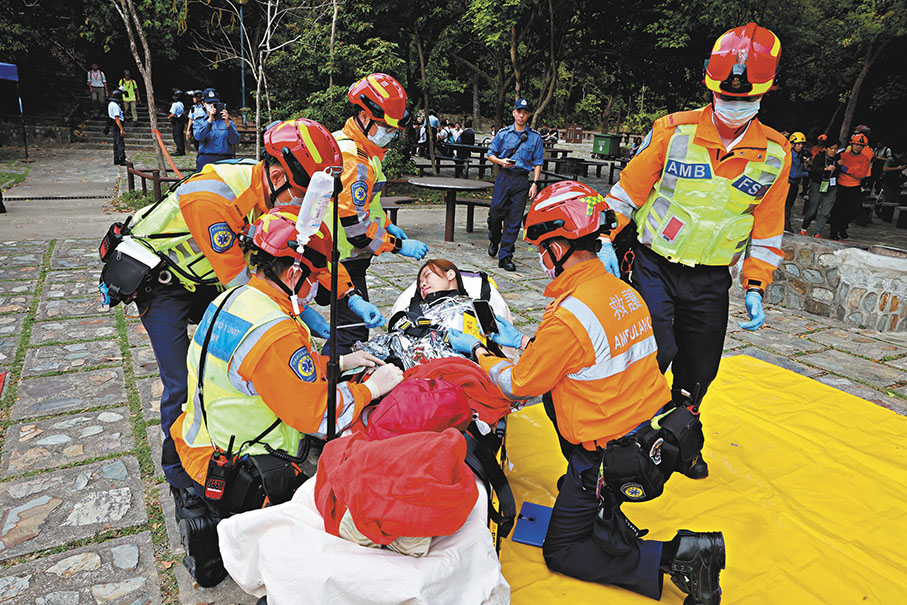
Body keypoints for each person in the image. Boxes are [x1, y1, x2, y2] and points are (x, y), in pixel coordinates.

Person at [102, 119, 384, 541]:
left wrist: (347, 294)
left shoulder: (276, 193)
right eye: (300, 195)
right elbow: (246, 287)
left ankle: (248, 418)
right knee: (181, 382)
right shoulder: (212, 197)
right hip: (163, 284)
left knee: (241, 360)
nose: (301, 204)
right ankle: (184, 479)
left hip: (204, 280)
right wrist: (298, 318)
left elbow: (300, 250)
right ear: (276, 176)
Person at [446, 181, 725, 604]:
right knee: (569, 462)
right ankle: (600, 507)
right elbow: (583, 354)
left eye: (542, 247)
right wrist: (525, 341)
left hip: (608, 456)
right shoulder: (622, 292)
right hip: (652, 435)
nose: (540, 257)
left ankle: (683, 557)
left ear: (559, 247)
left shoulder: (570, 314)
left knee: (563, 551)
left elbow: (521, 383)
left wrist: (480, 351)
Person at [170, 206, 404, 586]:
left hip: (197, 438)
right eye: (314, 278)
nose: (316, 288)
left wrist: (341, 361)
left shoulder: (232, 300)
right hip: (240, 464)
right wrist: (372, 387)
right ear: (294, 273)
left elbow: (274, 366)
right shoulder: (274, 331)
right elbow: (319, 416)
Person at [602, 23, 790, 479]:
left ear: (766, 92)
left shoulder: (776, 154)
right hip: (653, 264)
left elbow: (767, 229)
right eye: (726, 96)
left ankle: (681, 439)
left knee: (700, 366)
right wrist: (603, 241)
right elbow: (624, 195)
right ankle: (627, 435)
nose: (733, 105)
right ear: (710, 84)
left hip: (710, 278)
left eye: (746, 100)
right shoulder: (671, 132)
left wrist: (756, 283)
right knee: (655, 349)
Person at [325, 72, 430, 355]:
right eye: (385, 126)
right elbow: (357, 230)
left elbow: (367, 205)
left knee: (345, 328)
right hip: (338, 257)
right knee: (351, 331)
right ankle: (327, 389)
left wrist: (386, 224)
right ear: (363, 116)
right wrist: (398, 246)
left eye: (394, 129)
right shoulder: (353, 159)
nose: (391, 134)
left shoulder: (364, 153)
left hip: (341, 256)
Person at [486, 98, 544, 271]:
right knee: (495, 214)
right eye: (519, 112)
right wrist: (501, 162)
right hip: (504, 177)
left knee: (514, 219)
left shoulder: (535, 138)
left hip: (521, 180)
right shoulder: (503, 134)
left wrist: (534, 183)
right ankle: (494, 238)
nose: (521, 115)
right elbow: (490, 154)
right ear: (514, 113)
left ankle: (505, 256)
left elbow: (538, 161)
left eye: (525, 113)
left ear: (528, 115)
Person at [830, 133, 871, 240]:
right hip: (840, 186)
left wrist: (847, 169)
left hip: (854, 187)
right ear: (851, 145)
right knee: (837, 210)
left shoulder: (864, 159)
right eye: (856, 144)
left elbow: (861, 175)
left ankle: (842, 225)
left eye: (861, 145)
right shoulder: (843, 155)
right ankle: (833, 232)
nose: (858, 147)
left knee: (856, 209)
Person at [193, 88, 241, 171]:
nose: (212, 105)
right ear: (204, 104)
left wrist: (227, 123)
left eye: (215, 103)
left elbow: (235, 141)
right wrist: (210, 120)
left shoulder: (228, 122)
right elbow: (198, 137)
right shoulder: (199, 121)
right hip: (206, 159)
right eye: (209, 103)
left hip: (225, 160)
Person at [801, 140, 840, 236]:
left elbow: (840, 171)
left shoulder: (838, 159)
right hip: (818, 184)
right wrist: (825, 169)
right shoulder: (820, 157)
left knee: (825, 211)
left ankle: (817, 232)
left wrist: (840, 165)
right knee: (812, 210)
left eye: (835, 149)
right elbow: (813, 171)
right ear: (826, 149)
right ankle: (804, 228)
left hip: (831, 186)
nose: (833, 151)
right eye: (831, 149)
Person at [785, 132, 809, 232]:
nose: (800, 146)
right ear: (792, 144)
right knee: (785, 207)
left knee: (789, 206)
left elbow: (801, 169)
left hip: (794, 185)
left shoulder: (799, 156)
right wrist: (808, 173)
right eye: (798, 144)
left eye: (801, 144)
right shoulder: (789, 155)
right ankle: (786, 227)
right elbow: (794, 174)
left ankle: (785, 226)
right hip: (787, 184)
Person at [108, 88, 126, 166]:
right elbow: (117, 118)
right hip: (116, 124)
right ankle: (121, 158)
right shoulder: (115, 105)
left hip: (113, 124)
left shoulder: (111, 104)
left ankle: (116, 158)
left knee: (116, 142)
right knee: (119, 142)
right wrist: (121, 128)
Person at [168, 89, 187, 156]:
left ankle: (179, 150)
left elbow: (172, 114)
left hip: (177, 121)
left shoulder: (175, 104)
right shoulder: (181, 104)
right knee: (180, 135)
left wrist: (168, 117)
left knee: (177, 136)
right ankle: (182, 150)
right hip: (181, 120)